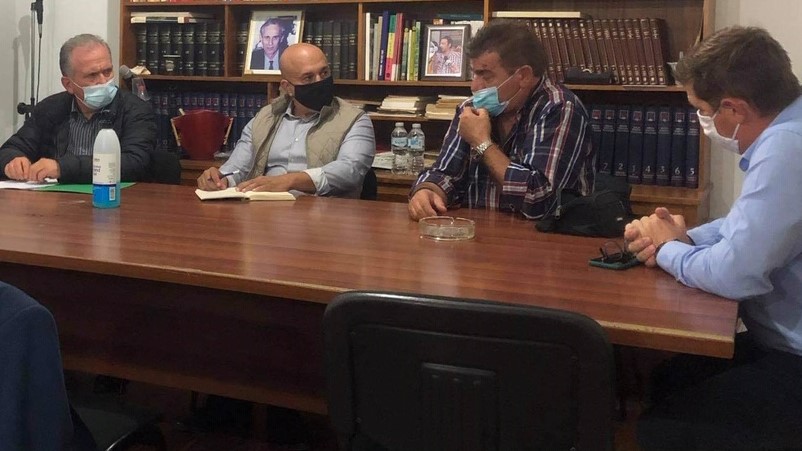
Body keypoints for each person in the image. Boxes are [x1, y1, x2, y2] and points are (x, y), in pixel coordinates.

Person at [624, 26, 802, 450]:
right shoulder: (789, 127)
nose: (701, 122)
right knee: (668, 377)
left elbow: (735, 275)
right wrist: (682, 237)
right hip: (777, 341)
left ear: (734, 109)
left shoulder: (787, 148)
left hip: (792, 356)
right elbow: (749, 224)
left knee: (660, 428)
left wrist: (666, 248)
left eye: (702, 111)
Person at [408, 21, 594, 220]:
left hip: (545, 236)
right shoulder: (471, 108)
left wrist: (482, 143)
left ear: (523, 76)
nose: (474, 86)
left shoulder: (560, 107)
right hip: (480, 232)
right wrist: (427, 190)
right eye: (474, 74)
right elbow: (445, 173)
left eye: (485, 75)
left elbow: (540, 200)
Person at [199, 42, 375, 198]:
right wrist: (220, 180)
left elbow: (350, 170)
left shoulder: (354, 120)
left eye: (324, 73)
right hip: (264, 212)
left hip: (324, 213)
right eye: (308, 77)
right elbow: (238, 168)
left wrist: (289, 181)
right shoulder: (265, 118)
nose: (320, 81)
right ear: (287, 87)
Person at [0, 34, 155, 183]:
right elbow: (11, 148)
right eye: (92, 75)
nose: (103, 81)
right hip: (55, 198)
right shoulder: (50, 109)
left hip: (112, 196)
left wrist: (62, 168)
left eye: (107, 71)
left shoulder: (136, 110)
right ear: (68, 84)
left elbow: (135, 162)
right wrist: (13, 161)